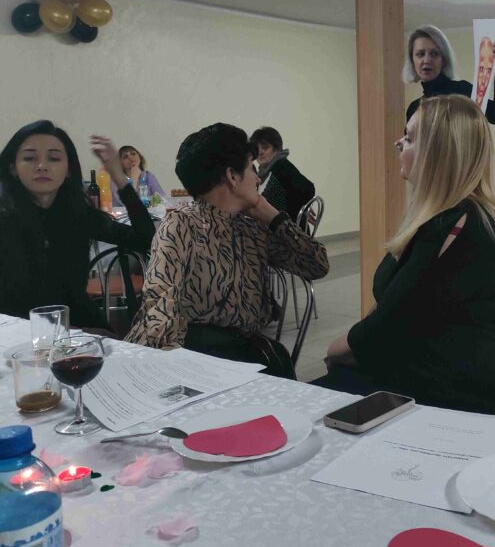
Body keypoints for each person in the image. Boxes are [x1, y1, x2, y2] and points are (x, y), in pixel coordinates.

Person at [317, 95, 495, 415]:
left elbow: (386, 326)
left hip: (454, 400)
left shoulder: (456, 228)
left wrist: (336, 350)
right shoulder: (467, 217)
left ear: (437, 154)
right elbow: (395, 307)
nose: (398, 143)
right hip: (452, 381)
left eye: (408, 138)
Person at [125, 123, 328, 373]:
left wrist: (276, 218)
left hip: (244, 355)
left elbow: (317, 266)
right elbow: (160, 309)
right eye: (251, 168)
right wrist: (178, 372)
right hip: (194, 355)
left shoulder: (253, 227)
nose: (257, 179)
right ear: (233, 177)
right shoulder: (181, 225)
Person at [0, 120, 155, 328]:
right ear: (13, 168)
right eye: (29, 158)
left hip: (79, 328)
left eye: (54, 158)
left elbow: (146, 239)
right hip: (16, 333)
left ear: (68, 170)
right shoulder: (5, 217)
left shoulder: (77, 214)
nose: (42, 166)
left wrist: (118, 175)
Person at [404, 24, 495, 125]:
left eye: (434, 54)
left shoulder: (462, 91)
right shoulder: (414, 108)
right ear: (412, 60)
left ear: (444, 59)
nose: (427, 60)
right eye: (420, 54)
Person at [249, 126, 315, 221]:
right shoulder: (261, 174)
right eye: (256, 149)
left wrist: (301, 209)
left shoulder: (281, 165)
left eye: (265, 147)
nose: (260, 152)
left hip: (287, 228)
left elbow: (308, 188)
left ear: (276, 148)